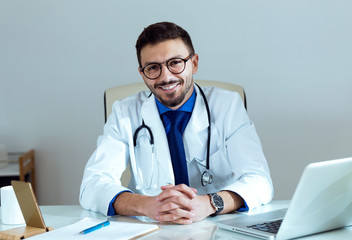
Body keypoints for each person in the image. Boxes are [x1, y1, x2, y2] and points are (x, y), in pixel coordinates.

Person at [80, 21, 273, 224]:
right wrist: (146, 205)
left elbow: (259, 181)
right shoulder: (124, 112)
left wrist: (209, 203)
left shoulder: (227, 106)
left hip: (218, 226)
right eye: (153, 67)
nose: (166, 77)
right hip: (151, 229)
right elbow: (92, 186)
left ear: (194, 63)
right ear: (142, 73)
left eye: (175, 62)